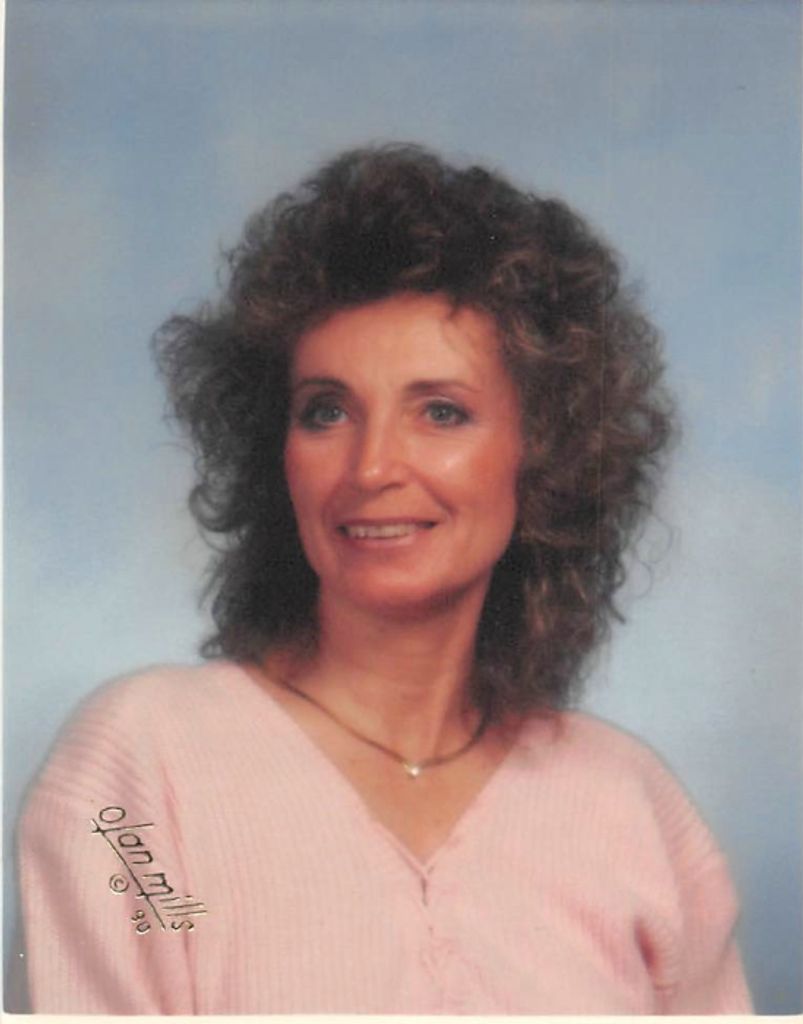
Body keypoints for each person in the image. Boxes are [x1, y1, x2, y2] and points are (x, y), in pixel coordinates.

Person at [16, 144, 752, 1014]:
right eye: (326, 411)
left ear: (544, 454)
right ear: (275, 454)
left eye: (440, 412)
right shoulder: (137, 771)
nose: (370, 468)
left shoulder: (631, 805)